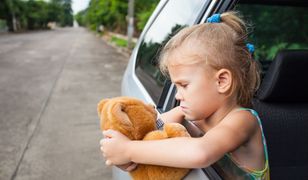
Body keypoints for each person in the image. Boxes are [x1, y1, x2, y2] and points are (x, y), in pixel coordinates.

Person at [100, 11, 270, 179]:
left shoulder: (243, 120)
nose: (177, 96)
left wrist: (129, 150)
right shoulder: (188, 113)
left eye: (184, 85)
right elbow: (150, 130)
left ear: (221, 81)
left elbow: (201, 152)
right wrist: (124, 157)